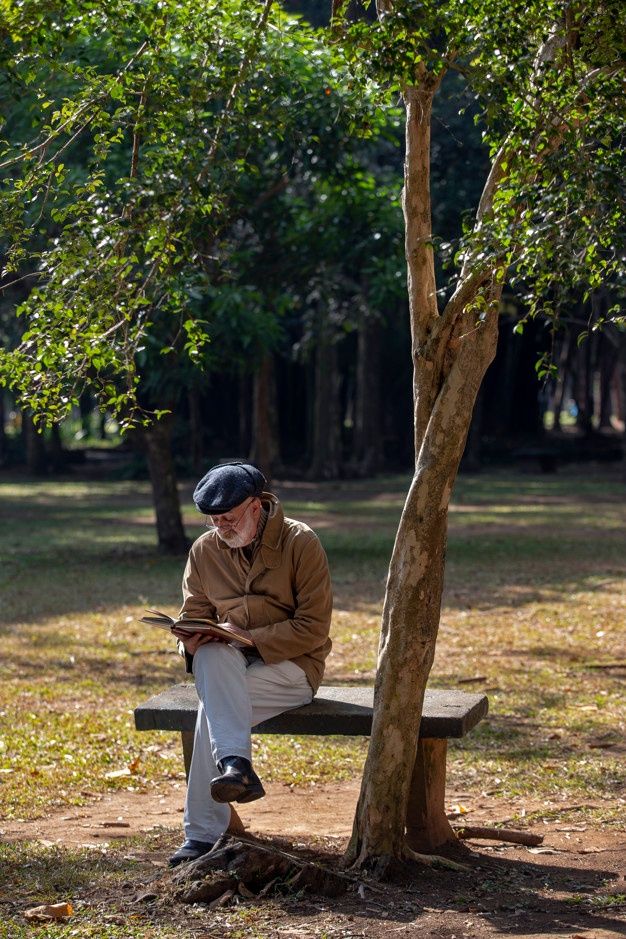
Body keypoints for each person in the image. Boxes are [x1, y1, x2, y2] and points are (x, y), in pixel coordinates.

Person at [168, 460, 333, 867]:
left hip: (292, 670)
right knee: (209, 654)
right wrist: (189, 643)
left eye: (229, 518)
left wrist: (246, 638)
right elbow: (194, 618)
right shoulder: (204, 551)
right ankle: (236, 765)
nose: (221, 527)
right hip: (226, 671)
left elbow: (313, 628)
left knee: (212, 709)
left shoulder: (301, 542)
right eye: (213, 520)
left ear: (256, 506)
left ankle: (202, 835)